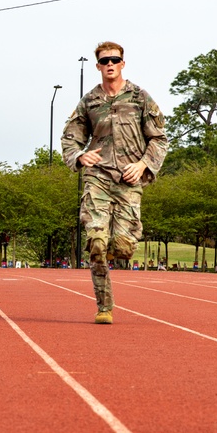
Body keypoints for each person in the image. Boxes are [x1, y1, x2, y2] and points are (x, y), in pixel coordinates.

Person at [61, 41, 167, 324]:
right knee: (96, 241)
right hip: (98, 177)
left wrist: (143, 165)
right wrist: (80, 157)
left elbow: (159, 138)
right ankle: (104, 305)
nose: (110, 64)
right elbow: (70, 137)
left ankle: (112, 249)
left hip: (129, 179)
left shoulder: (139, 97)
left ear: (122, 64)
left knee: (122, 247)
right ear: (98, 66)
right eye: (104, 60)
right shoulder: (89, 102)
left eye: (114, 60)